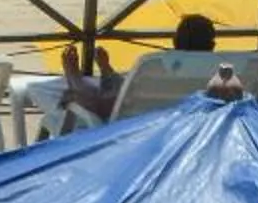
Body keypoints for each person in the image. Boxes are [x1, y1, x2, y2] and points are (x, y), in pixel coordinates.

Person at [60, 12, 217, 123]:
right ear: (212, 45)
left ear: (175, 40)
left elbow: (115, 105)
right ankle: (106, 72)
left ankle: (77, 79)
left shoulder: (154, 67)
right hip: (196, 128)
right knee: (125, 88)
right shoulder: (223, 74)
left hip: (144, 129)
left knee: (109, 96)